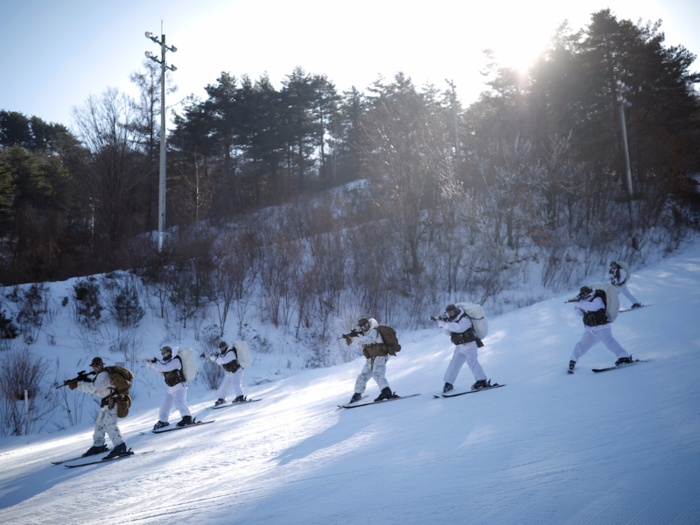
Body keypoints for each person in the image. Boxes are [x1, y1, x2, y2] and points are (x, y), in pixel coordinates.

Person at [69, 357, 128, 459]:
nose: (95, 368)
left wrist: (78, 385)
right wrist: (86, 381)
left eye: (97, 366)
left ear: (102, 365)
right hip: (107, 403)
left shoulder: (103, 374)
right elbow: (98, 384)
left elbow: (95, 388)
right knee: (99, 424)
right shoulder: (101, 375)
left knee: (109, 424)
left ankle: (120, 446)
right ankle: (98, 445)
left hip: (112, 403)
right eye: (93, 366)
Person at [568, 286, 633, 372]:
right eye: (583, 294)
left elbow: (594, 307)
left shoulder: (597, 298)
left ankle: (624, 357)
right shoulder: (584, 302)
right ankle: (573, 360)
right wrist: (575, 305)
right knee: (581, 345)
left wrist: (579, 303)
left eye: (587, 292)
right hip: (590, 329)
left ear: (590, 291)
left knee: (610, 343)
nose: (585, 294)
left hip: (602, 327)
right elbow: (580, 313)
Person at [437, 304, 489, 393]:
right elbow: (448, 333)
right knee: (454, 364)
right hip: (460, 346)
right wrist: (442, 325)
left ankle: (482, 380)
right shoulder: (451, 320)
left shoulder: (464, 318)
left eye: (451, 311)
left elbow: (460, 328)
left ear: (456, 311)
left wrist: (446, 325)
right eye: (448, 312)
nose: (450, 314)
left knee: (472, 362)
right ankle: (448, 383)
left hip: (469, 345)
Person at [346, 317, 398, 404]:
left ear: (369, 324)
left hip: (380, 357)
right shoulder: (364, 334)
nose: (364, 328)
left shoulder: (374, 331)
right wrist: (353, 338)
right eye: (362, 327)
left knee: (377, 374)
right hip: (371, 359)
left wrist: (354, 340)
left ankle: (386, 392)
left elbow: (369, 339)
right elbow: (362, 346)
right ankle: (357, 394)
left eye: (365, 325)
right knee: (362, 376)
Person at [147, 346, 193, 429]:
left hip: (180, 385)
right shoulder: (168, 362)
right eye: (162, 353)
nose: (163, 354)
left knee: (179, 402)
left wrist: (154, 365)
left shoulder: (176, 361)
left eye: (164, 352)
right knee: (165, 406)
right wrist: (155, 364)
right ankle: (162, 421)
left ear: (169, 352)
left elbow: (165, 368)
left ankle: (187, 418)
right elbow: (162, 372)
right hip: (171, 387)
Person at [211, 341, 246, 406]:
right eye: (220, 348)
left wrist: (216, 358)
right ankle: (221, 399)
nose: (222, 349)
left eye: (223, 347)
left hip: (238, 371)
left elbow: (224, 360)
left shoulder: (231, 353)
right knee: (225, 386)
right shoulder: (224, 353)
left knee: (236, 383)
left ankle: (240, 397)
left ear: (226, 346)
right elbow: (221, 363)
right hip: (230, 372)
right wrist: (216, 357)